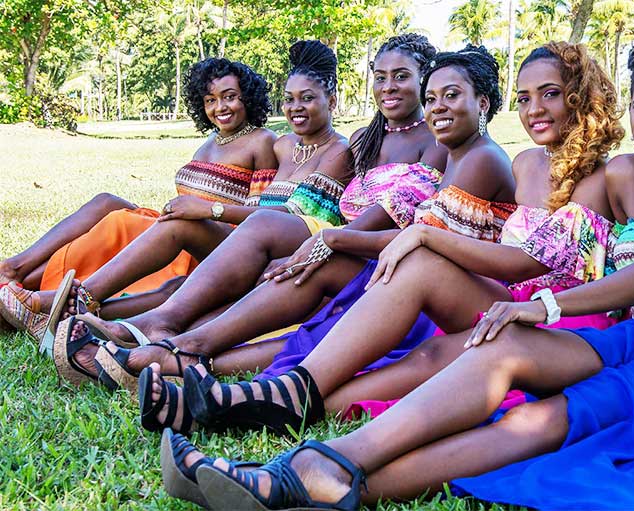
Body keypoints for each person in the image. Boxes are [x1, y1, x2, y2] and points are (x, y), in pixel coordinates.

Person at [162, 25, 634, 511]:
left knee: (561, 417)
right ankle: (295, 436)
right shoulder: (626, 176)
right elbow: (548, 254)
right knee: (464, 347)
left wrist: (538, 303)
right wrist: (417, 245)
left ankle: (314, 473)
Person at [157, 41, 625, 439]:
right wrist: (351, 239)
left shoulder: (605, 176)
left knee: (409, 308)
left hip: (559, 315)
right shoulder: (526, 163)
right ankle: (234, 393)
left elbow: (524, 262)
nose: (534, 109)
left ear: (581, 98)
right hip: (489, 298)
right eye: (524, 98)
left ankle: (236, 380)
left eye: (550, 95)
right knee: (354, 371)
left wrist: (417, 236)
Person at [76, 45, 517, 419]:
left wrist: (329, 239)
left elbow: (418, 230)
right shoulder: (370, 139)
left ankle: (179, 345)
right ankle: (171, 341)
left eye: (404, 78)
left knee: (298, 262)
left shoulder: (457, 152)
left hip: (418, 272)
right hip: (373, 253)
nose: (390, 87)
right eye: (381, 77)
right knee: (283, 263)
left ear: (480, 102)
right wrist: (325, 240)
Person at [0, 57, 280, 342]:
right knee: (107, 202)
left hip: (218, 243)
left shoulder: (262, 141)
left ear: (248, 96)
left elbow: (260, 219)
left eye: (229, 97)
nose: (220, 107)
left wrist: (204, 210)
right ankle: (14, 272)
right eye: (210, 100)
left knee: (122, 224)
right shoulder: (211, 140)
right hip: (179, 225)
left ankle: (33, 294)